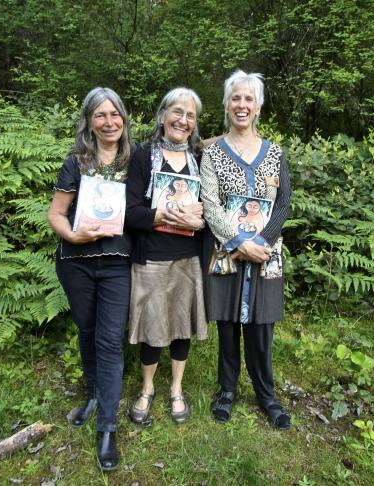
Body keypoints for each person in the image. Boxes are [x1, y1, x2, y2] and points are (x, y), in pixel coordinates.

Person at [200, 70, 292, 429]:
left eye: (248, 99)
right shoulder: (213, 153)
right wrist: (238, 244)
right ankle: (227, 390)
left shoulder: (275, 153)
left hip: (266, 252)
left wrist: (261, 243)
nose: (242, 105)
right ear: (227, 105)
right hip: (227, 250)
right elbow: (210, 204)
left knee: (262, 324)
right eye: (235, 98)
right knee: (227, 323)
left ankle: (267, 395)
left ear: (258, 107)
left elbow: (283, 203)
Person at [47, 87, 133, 471]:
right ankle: (95, 394)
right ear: (89, 121)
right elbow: (56, 213)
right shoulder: (76, 162)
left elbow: (182, 144)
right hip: (76, 262)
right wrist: (72, 235)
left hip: (117, 264)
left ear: (124, 119)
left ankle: (107, 427)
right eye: (100, 115)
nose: (109, 122)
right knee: (87, 330)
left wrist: (230, 136)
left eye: (115, 114)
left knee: (110, 340)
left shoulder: (137, 160)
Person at [125, 87, 208, 425]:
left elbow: (209, 212)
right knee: (152, 324)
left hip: (188, 256)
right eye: (177, 112)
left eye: (190, 116)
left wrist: (199, 221)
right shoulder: (142, 156)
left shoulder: (200, 158)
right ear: (162, 116)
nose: (183, 120)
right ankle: (147, 387)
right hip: (151, 257)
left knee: (181, 324)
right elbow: (130, 212)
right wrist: (165, 216)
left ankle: (176, 387)